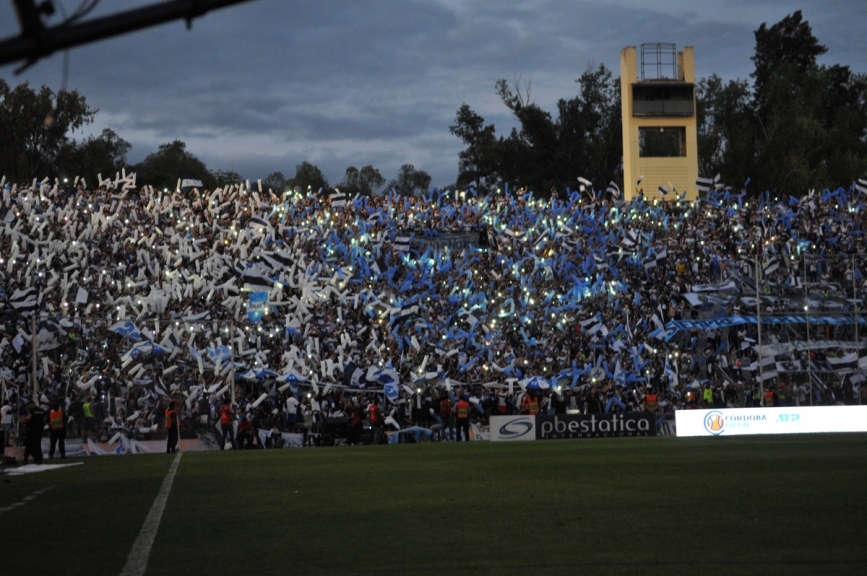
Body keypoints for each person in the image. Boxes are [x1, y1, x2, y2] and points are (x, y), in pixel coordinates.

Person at [23, 399, 45, 465]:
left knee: (29, 445)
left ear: (32, 404)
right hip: (40, 429)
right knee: (38, 444)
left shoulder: (32, 410)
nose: (27, 406)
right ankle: (39, 459)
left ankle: (26, 460)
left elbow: (28, 418)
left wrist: (24, 420)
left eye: (28, 405)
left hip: (32, 430)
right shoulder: (41, 410)